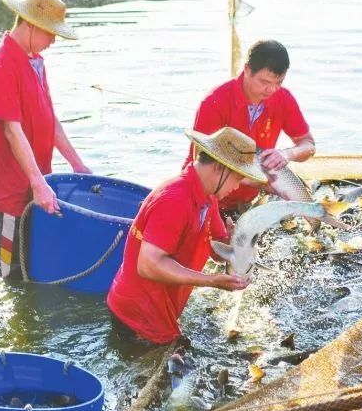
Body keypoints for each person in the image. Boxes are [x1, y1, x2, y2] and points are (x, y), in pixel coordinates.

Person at [107, 127, 268, 345]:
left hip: (161, 309)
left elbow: (217, 251)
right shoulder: (174, 198)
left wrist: (232, 241)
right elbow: (148, 264)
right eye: (237, 178)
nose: (237, 187)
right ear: (220, 168)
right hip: (137, 316)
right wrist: (211, 281)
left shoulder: (208, 198)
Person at [0, 0, 90, 280]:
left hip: (38, 186)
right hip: (13, 194)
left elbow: (49, 120)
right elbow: (11, 130)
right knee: (12, 275)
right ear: (29, 25)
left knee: (37, 269)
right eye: (50, 33)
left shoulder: (35, 62)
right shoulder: (2, 65)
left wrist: (77, 164)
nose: (54, 40)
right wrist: (38, 183)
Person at [187, 40, 315, 211]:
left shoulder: (283, 98)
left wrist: (287, 154)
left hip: (248, 198)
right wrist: (261, 181)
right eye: (265, 82)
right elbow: (202, 162)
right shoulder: (214, 102)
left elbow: (308, 144)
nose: (272, 90)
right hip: (205, 195)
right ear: (247, 69)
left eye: (279, 83)